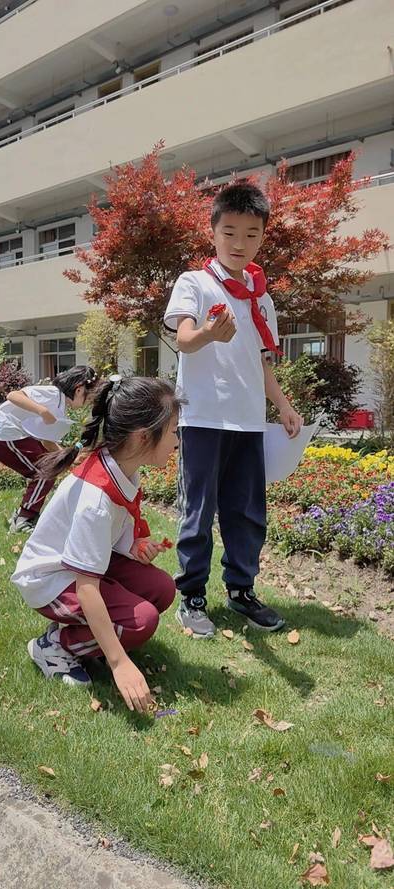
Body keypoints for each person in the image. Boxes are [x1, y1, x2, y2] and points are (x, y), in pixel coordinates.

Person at [164, 182, 303, 638]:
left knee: (246, 513)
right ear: (213, 232)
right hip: (203, 417)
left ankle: (242, 591)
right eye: (230, 232)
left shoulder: (262, 298)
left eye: (251, 234)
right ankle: (192, 596)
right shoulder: (194, 283)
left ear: (263, 236)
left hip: (247, 422)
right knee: (198, 511)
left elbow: (260, 362)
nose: (239, 243)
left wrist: (282, 405)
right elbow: (184, 338)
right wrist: (208, 334)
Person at [11, 375, 179, 712]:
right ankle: (55, 645)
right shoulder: (96, 498)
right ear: (144, 436)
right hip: (52, 580)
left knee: (161, 588)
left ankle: (89, 637)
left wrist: (132, 546)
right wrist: (119, 663)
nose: (178, 440)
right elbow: (87, 587)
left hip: (81, 567)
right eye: (174, 431)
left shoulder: (122, 467)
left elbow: (110, 534)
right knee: (141, 621)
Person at [0, 366, 98, 532]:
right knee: (45, 472)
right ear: (79, 390)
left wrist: (66, 457)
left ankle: (24, 515)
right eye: (89, 398)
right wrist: (41, 410)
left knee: (50, 466)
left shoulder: (60, 407)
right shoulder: (52, 394)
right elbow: (13, 395)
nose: (88, 403)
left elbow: (48, 442)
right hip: (2, 435)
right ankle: (24, 520)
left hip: (11, 436)